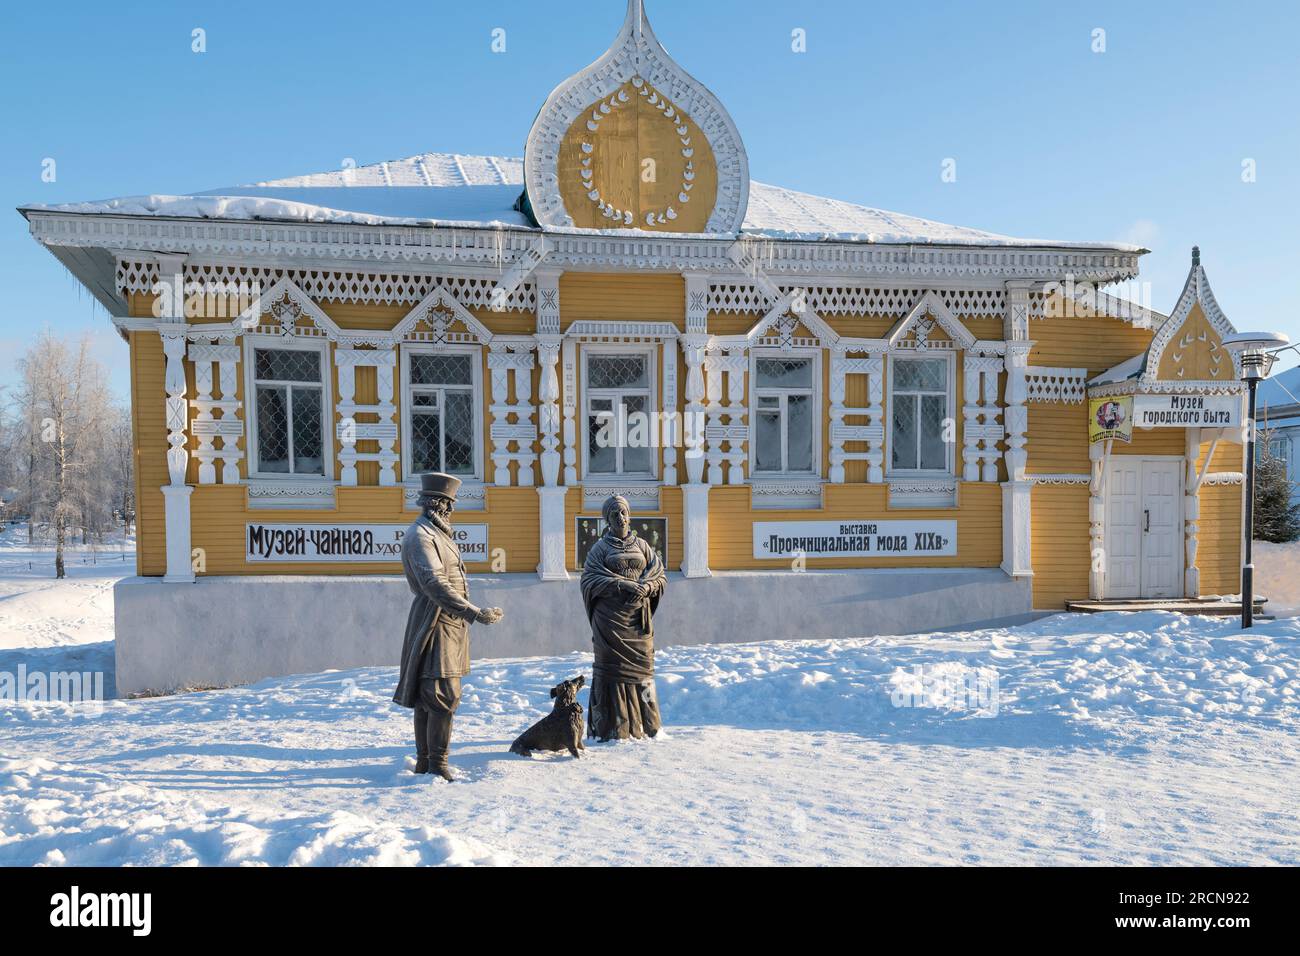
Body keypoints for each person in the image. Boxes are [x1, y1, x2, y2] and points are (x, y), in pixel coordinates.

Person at [393, 472, 503, 780]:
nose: (450, 510)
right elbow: (433, 582)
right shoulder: (420, 536)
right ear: (435, 504)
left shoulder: (439, 534)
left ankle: (428, 762)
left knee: (433, 693)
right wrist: (473, 612)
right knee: (440, 693)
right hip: (434, 621)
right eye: (447, 504)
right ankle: (434, 763)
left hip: (449, 624)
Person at [580, 495, 667, 740]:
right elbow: (589, 579)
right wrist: (623, 585)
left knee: (643, 671)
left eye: (624, 512)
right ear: (607, 519)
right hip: (610, 623)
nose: (621, 517)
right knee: (612, 671)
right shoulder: (600, 549)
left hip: (637, 622)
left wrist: (647, 587)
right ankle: (614, 726)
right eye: (615, 514)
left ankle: (648, 724)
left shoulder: (642, 546)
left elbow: (659, 574)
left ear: (629, 515)